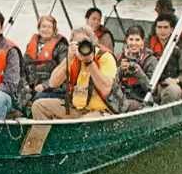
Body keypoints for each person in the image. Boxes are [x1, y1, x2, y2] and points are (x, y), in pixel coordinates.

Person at [21, 26, 125, 155]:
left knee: (83, 123)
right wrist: (69, 58)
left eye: (85, 43)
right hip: (76, 108)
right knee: (39, 105)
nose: (82, 47)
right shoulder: (73, 58)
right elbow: (53, 83)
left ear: (93, 43)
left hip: (101, 111)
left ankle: (73, 154)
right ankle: (32, 152)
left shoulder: (105, 57)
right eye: (78, 43)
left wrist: (89, 62)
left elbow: (105, 89)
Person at [148, 13, 182, 104]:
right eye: (159, 27)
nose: (162, 31)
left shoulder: (180, 48)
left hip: (167, 85)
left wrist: (176, 80)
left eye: (165, 27)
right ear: (155, 29)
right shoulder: (147, 45)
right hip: (148, 84)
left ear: (172, 30)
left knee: (173, 90)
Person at [24, 15, 68, 101]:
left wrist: (45, 85)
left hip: (55, 88)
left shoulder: (61, 47)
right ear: (39, 28)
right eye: (43, 26)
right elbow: (22, 68)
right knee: (19, 95)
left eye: (49, 27)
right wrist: (25, 85)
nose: (46, 29)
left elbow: (63, 71)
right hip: (32, 85)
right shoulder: (31, 45)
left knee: (38, 97)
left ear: (54, 30)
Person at [117, 26, 157, 111]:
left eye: (137, 40)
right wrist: (120, 70)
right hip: (121, 98)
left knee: (123, 106)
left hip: (141, 100)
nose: (134, 43)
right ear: (126, 40)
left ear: (143, 41)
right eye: (131, 39)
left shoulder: (151, 60)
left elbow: (152, 90)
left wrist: (139, 72)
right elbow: (112, 82)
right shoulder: (120, 57)